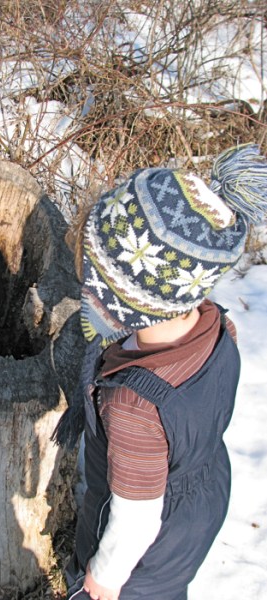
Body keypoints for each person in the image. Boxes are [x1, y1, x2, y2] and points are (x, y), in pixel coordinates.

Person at [52, 144, 267, 600]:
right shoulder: (213, 323)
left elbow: (134, 520)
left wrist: (103, 580)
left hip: (143, 555)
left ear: (126, 300)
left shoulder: (134, 407)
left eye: (94, 280)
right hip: (201, 494)